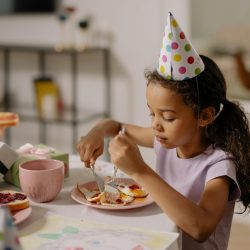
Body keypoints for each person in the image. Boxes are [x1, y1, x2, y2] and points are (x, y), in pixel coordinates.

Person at [77, 12, 250, 250]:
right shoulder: (166, 141)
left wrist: (140, 170)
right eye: (152, 113)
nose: (156, 125)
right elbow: (116, 127)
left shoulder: (218, 166)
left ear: (205, 116)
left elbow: (201, 227)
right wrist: (97, 131)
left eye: (168, 117)